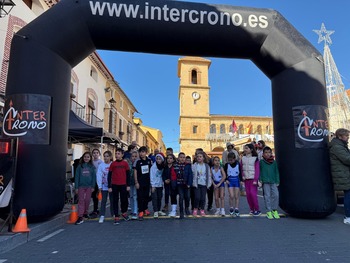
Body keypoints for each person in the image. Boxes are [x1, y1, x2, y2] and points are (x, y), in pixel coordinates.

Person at [329, 128, 350, 224]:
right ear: (340, 136)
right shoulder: (337, 147)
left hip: (345, 173)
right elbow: (346, 159)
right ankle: (347, 217)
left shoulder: (341, 145)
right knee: (348, 195)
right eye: (346, 136)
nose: (348, 138)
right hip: (343, 175)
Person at [108, 148, 130, 225]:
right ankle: (116, 216)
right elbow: (109, 175)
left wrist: (128, 185)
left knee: (124, 200)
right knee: (115, 200)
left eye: (118, 153)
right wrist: (109, 186)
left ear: (122, 155)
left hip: (123, 185)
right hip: (114, 185)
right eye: (116, 153)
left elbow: (128, 175)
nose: (117, 155)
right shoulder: (113, 164)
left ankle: (124, 213)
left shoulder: (125, 163)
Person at [74, 152, 96, 225]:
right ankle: (80, 216)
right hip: (81, 186)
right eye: (85, 157)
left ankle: (85, 213)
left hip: (89, 187)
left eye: (88, 157)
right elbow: (76, 177)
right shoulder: (80, 166)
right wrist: (76, 187)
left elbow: (94, 177)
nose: (86, 158)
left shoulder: (92, 167)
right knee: (81, 201)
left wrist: (93, 186)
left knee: (87, 200)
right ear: (83, 158)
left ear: (90, 158)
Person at [259, 146, 280, 219]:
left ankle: (274, 210)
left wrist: (278, 181)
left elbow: (276, 172)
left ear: (271, 153)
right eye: (266, 153)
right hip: (265, 181)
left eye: (269, 152)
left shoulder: (274, 162)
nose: (267, 154)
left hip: (273, 181)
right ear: (263, 154)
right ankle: (268, 211)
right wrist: (260, 179)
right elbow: (260, 171)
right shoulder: (261, 162)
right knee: (267, 196)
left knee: (276, 195)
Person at [240, 144, 261, 216]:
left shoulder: (255, 158)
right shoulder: (242, 158)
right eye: (244, 148)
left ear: (251, 149)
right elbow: (241, 169)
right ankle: (252, 209)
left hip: (253, 180)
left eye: (247, 148)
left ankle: (257, 210)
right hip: (246, 180)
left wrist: (256, 179)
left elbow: (257, 170)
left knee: (253, 194)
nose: (245, 149)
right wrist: (242, 176)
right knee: (248, 195)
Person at [134, 146, 152, 220]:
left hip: (147, 182)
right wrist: (136, 182)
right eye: (140, 152)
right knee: (140, 197)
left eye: (143, 152)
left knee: (146, 196)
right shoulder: (137, 161)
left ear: (146, 153)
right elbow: (135, 172)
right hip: (140, 183)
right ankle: (140, 211)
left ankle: (145, 209)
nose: (141, 154)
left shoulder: (149, 161)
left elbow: (152, 171)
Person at [192, 151, 212, 217]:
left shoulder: (206, 166)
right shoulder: (194, 165)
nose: (199, 158)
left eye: (200, 156)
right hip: (197, 184)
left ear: (203, 158)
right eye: (197, 157)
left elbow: (209, 175)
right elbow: (192, 174)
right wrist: (193, 183)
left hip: (204, 184)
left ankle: (202, 209)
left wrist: (209, 184)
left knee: (203, 198)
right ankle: (195, 208)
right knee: (197, 197)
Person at [96, 151, 114, 223]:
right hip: (104, 186)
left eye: (107, 156)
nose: (106, 158)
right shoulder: (101, 165)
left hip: (112, 186)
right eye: (105, 156)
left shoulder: (113, 164)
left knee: (113, 200)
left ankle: (113, 214)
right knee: (103, 201)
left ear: (110, 157)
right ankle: (102, 215)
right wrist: (99, 186)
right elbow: (99, 175)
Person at [174, 152, 193, 218]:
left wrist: (189, 183)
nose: (182, 159)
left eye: (183, 157)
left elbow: (190, 175)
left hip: (186, 184)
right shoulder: (175, 165)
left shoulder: (187, 165)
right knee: (181, 197)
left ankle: (187, 208)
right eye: (181, 157)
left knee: (187, 197)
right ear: (178, 158)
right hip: (179, 184)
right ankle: (181, 211)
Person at [224, 152, 242, 217]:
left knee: (236, 196)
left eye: (231, 160)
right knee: (231, 195)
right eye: (229, 160)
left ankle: (236, 208)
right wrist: (226, 179)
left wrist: (241, 180)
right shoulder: (227, 165)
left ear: (234, 159)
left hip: (236, 180)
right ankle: (231, 207)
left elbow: (240, 173)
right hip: (230, 180)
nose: (230, 161)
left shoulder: (238, 164)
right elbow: (225, 173)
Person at [150, 153, 166, 218]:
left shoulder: (163, 166)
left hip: (160, 185)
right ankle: (155, 211)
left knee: (160, 197)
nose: (158, 160)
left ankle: (159, 210)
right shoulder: (153, 167)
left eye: (160, 159)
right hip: (154, 185)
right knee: (155, 198)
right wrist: (153, 185)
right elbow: (152, 176)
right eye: (157, 159)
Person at [90, 148, 103, 218]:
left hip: (99, 182)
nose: (95, 154)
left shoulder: (101, 162)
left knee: (99, 196)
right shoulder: (91, 162)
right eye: (94, 153)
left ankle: (99, 209)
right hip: (93, 182)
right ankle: (95, 209)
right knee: (94, 197)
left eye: (97, 153)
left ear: (99, 154)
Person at [127, 150, 139, 220]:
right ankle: (132, 210)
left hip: (135, 182)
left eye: (135, 156)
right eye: (132, 156)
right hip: (129, 182)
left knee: (135, 196)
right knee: (131, 196)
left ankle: (135, 211)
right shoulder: (128, 164)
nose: (134, 158)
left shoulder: (138, 164)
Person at [162, 147, 174, 212]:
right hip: (166, 182)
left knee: (172, 194)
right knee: (166, 194)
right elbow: (163, 174)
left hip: (173, 182)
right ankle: (166, 205)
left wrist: (171, 180)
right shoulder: (165, 166)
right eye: (168, 158)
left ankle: (173, 206)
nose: (169, 159)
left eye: (170, 158)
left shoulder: (174, 166)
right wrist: (165, 180)